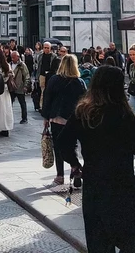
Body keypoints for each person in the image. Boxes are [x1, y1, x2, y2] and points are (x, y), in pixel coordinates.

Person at [59, 66, 135, 253]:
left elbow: (63, 142)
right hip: (121, 188)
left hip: (94, 188)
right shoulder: (122, 115)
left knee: (99, 245)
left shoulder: (82, 112)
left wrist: (74, 163)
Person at [42, 53, 87, 187]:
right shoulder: (79, 82)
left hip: (57, 117)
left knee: (58, 147)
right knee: (72, 145)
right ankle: (75, 167)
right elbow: (84, 101)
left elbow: (47, 98)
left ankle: (60, 175)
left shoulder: (54, 80)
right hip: (74, 119)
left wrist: (46, 116)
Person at [0, 49, 14, 137]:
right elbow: (12, 75)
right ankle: (6, 128)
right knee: (6, 109)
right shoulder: (7, 66)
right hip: (6, 90)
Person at [37, 41, 59, 109]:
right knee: (43, 90)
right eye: (45, 48)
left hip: (50, 75)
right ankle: (42, 106)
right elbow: (38, 65)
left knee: (49, 90)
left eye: (48, 48)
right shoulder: (40, 56)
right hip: (42, 75)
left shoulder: (54, 56)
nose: (46, 49)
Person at [9, 50, 29, 124]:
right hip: (11, 87)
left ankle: (24, 118)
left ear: (17, 57)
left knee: (22, 103)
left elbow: (27, 75)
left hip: (20, 86)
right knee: (10, 103)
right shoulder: (9, 64)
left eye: (14, 57)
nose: (12, 59)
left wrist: (25, 86)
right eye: (12, 57)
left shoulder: (22, 65)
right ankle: (9, 117)